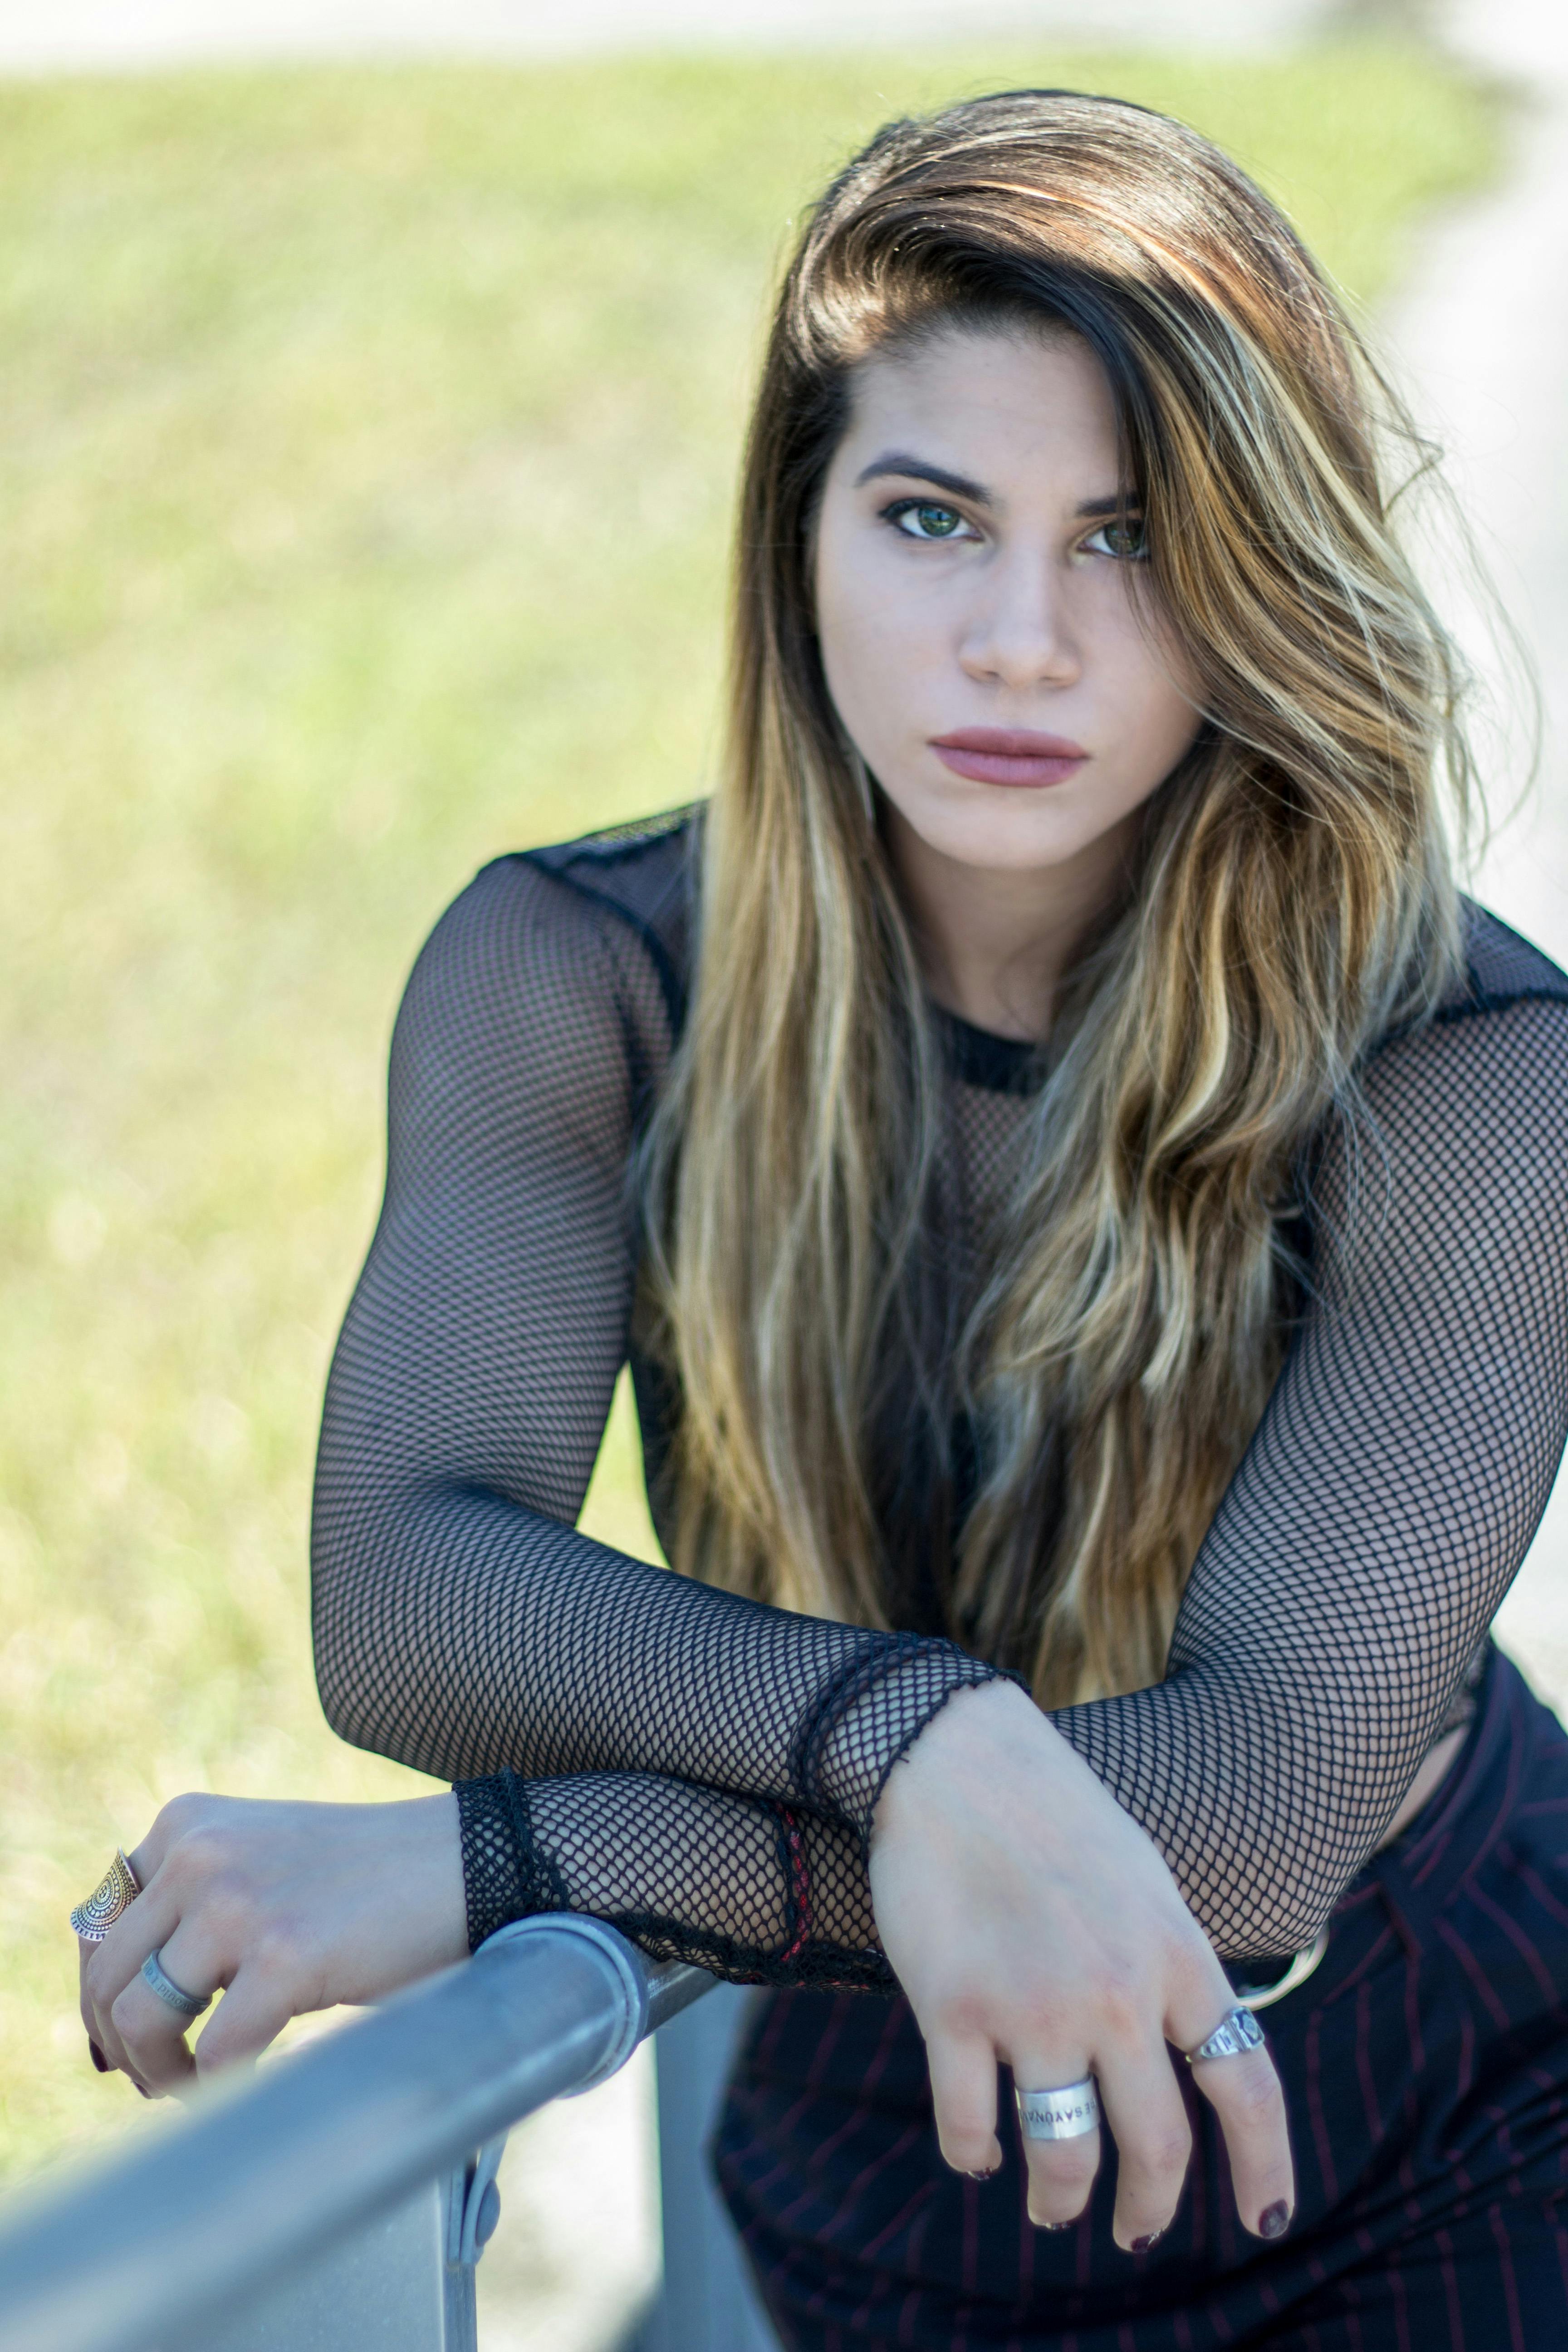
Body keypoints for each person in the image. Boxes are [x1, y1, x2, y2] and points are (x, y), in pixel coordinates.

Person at [75, 88, 1568, 2349]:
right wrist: (928, 1741)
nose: (1020, 643)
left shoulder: (1471, 1062)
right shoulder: (585, 974)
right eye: (935, 516)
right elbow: (407, 1582)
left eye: (1131, 540)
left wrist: (508, 1872)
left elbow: (1251, 1817)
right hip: (878, 2151)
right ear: (801, 539)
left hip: (1432, 2121)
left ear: (1261, 574)